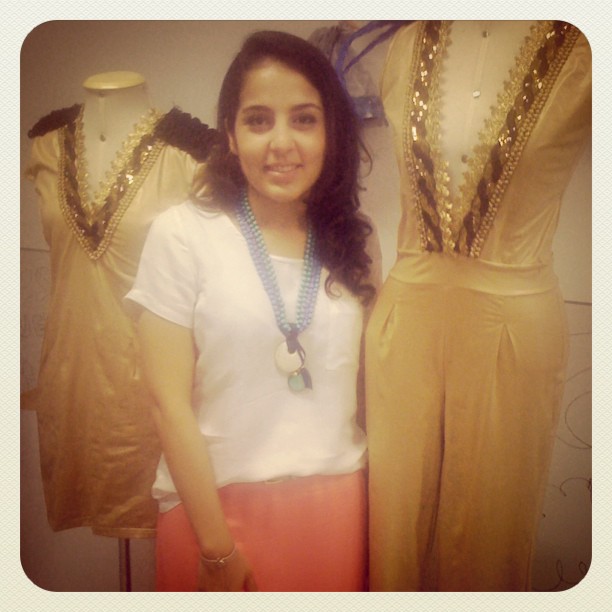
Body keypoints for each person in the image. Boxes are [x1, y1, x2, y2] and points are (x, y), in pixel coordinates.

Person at [126, 30, 377, 591]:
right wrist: (217, 549)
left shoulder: (353, 243)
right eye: (258, 120)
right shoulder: (183, 234)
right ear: (231, 136)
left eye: (304, 119)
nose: (281, 142)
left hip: (336, 509)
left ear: (331, 133)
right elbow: (167, 405)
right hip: (215, 518)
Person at [365, 20, 591, 591]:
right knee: (394, 526)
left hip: (512, 331)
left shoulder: (582, 53)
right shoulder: (404, 47)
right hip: (406, 323)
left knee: (490, 535)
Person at [24, 71, 215, 538]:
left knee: (160, 515)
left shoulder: (189, 154)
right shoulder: (47, 145)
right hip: (68, 377)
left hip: (149, 387)